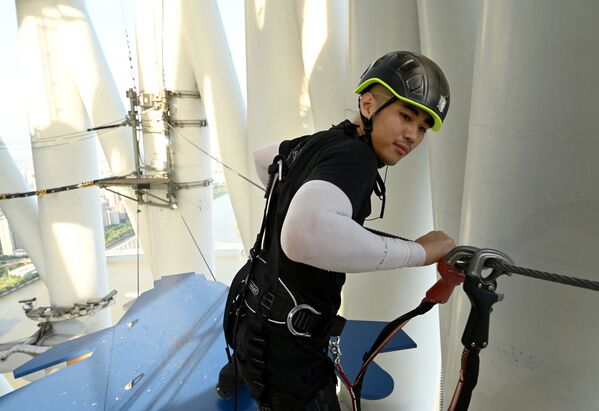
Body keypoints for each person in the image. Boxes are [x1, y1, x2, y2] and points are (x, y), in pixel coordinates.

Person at [219, 50, 456, 411]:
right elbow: (303, 236)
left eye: (423, 127)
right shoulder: (355, 159)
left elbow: (265, 158)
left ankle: (228, 385)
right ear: (368, 103)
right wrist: (420, 252)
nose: (412, 135)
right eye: (405, 115)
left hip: (251, 314)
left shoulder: (321, 141)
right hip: (290, 354)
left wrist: (294, 195)